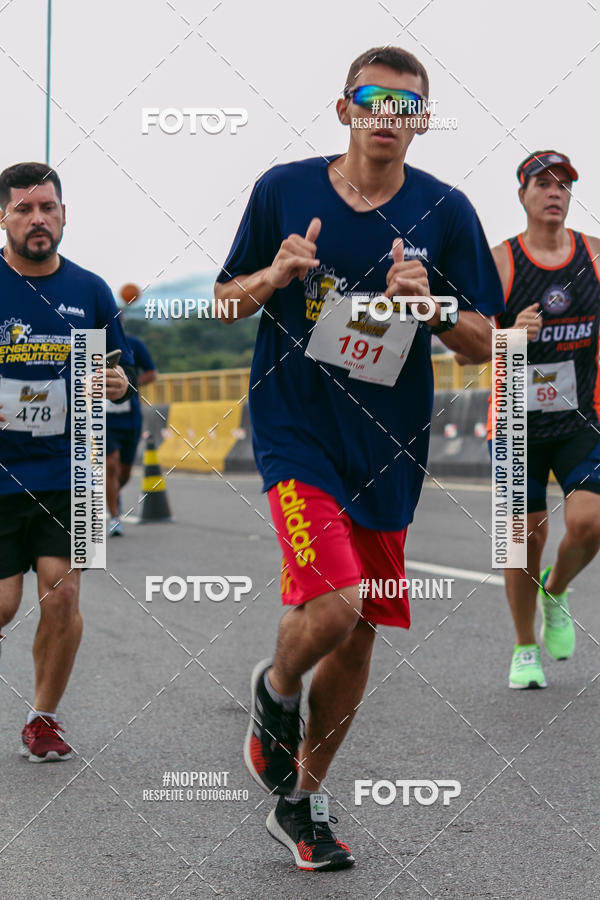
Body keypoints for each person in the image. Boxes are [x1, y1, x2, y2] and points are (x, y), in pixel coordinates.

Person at [215, 47, 504, 871]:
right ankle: (275, 693)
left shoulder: (446, 210)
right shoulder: (284, 189)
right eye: (374, 99)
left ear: (421, 119)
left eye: (408, 103)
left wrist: (436, 305)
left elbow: (488, 344)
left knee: (359, 631)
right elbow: (224, 300)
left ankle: (303, 802)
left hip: (387, 444)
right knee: (336, 602)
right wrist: (276, 271)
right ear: (345, 109)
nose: (390, 114)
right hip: (295, 428)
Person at [0, 162, 135, 760]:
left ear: (63, 216)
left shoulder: (90, 291)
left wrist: (115, 384)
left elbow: (120, 373)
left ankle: (43, 718)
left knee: (63, 594)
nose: (38, 220)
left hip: (72, 465)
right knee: (4, 603)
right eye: (24, 209)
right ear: (3, 216)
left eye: (47, 208)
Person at [479, 151, 600, 689]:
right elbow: (467, 344)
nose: (555, 192)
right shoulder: (501, 263)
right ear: (522, 194)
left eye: (565, 185)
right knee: (522, 540)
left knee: (590, 523)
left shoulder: (593, 256)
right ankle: (524, 647)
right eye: (543, 183)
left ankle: (558, 587)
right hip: (515, 426)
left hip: (582, 421)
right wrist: (509, 337)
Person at [106, 333, 157, 536]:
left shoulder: (133, 345)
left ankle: (112, 493)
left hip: (129, 418)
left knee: (124, 472)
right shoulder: (89, 345)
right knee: (110, 463)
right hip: (102, 419)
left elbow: (152, 373)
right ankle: (115, 517)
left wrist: (129, 384)